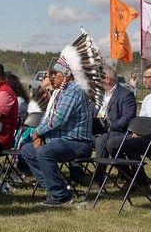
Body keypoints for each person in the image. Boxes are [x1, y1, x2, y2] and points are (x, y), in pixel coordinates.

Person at [19, 51, 95, 207]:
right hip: (59, 141)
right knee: (27, 150)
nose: (51, 76)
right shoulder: (61, 92)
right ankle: (54, 188)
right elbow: (47, 118)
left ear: (66, 74)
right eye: (50, 74)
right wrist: (38, 135)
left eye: (55, 73)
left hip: (78, 143)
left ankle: (61, 197)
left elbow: (58, 119)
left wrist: (38, 133)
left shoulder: (74, 91)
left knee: (44, 152)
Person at [105, 62, 151, 188]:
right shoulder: (148, 99)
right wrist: (138, 131)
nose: (143, 80)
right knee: (112, 144)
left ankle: (140, 182)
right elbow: (140, 121)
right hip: (142, 138)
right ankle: (131, 177)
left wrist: (149, 132)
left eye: (146, 77)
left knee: (127, 145)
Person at [92, 64, 136, 168]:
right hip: (98, 129)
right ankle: (76, 175)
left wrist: (109, 126)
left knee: (101, 140)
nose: (95, 80)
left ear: (106, 79)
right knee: (78, 136)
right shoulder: (98, 95)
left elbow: (127, 118)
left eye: (98, 77)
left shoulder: (126, 95)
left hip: (117, 131)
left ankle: (99, 178)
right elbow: (92, 113)